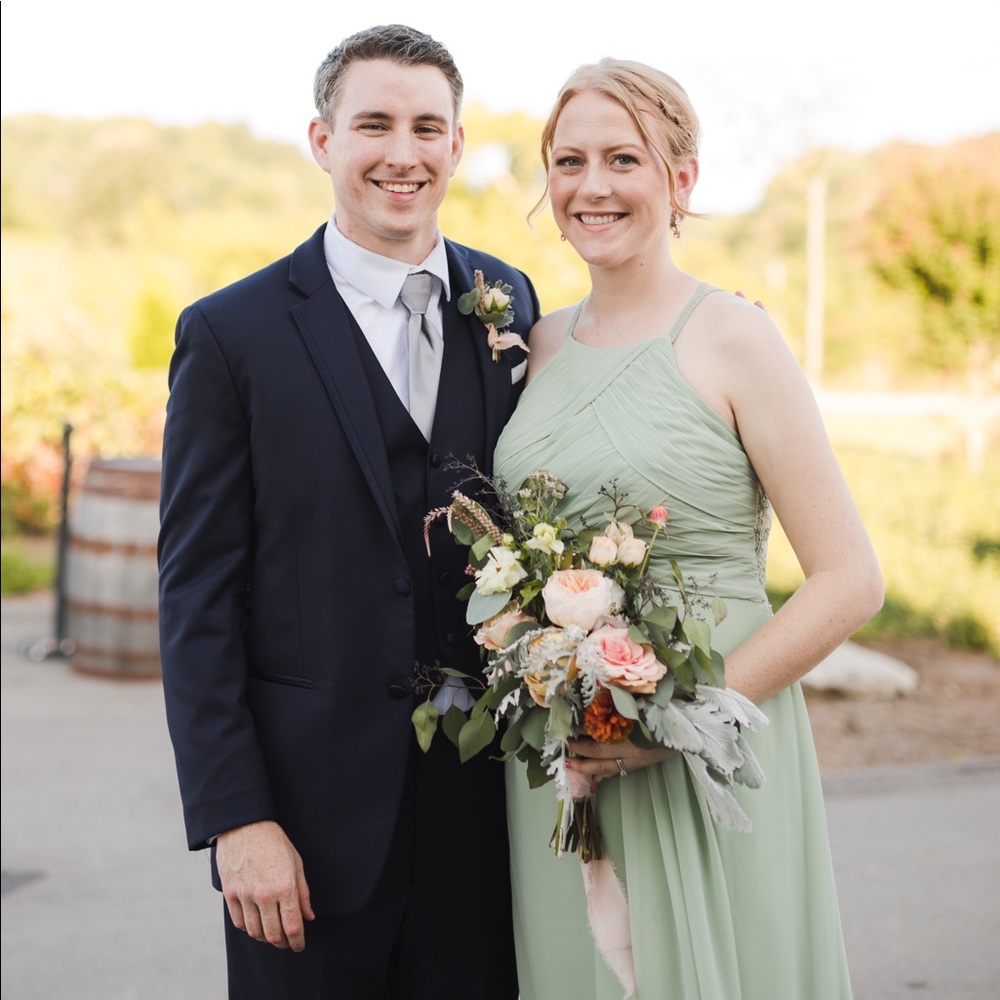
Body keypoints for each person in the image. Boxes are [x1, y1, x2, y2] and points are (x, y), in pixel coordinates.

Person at [157, 24, 539, 1000]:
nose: (401, 153)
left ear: (457, 146)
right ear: (323, 140)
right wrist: (235, 818)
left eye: (427, 127)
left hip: (481, 818)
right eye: (373, 124)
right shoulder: (229, 333)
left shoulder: (508, 298)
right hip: (303, 832)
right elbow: (196, 595)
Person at [493, 59, 884, 999]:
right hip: (566, 753)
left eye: (623, 158)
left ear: (682, 179)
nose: (592, 185)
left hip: (712, 739)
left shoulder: (734, 337)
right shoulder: (536, 344)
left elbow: (848, 580)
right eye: (569, 160)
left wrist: (673, 725)